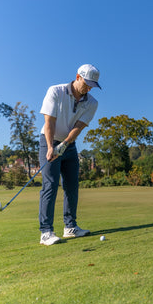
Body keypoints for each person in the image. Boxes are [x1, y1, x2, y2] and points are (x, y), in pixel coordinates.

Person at [38, 64, 100, 245]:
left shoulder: (92, 103)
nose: (88, 88)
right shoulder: (56, 91)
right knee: (50, 185)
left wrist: (64, 145)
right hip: (48, 140)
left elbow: (78, 127)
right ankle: (46, 232)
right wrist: (51, 147)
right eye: (86, 83)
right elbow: (49, 122)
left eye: (92, 85)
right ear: (78, 77)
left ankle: (70, 227)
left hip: (69, 145)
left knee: (72, 186)